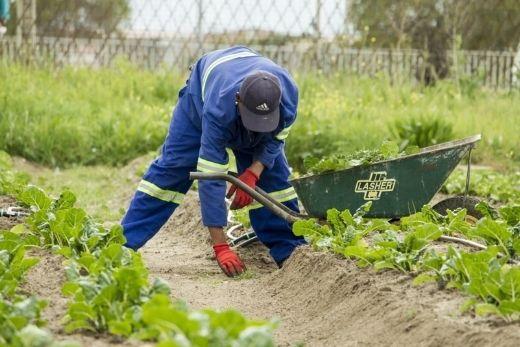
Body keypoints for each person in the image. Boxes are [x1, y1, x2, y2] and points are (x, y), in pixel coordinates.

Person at [122, 46, 306, 277]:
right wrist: (220, 245)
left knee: (274, 179)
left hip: (249, 95)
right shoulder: (219, 109)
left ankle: (290, 252)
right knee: (173, 169)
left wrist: (253, 172)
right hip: (200, 99)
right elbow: (212, 178)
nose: (255, 128)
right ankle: (123, 244)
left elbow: (276, 140)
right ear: (238, 100)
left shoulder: (288, 97)